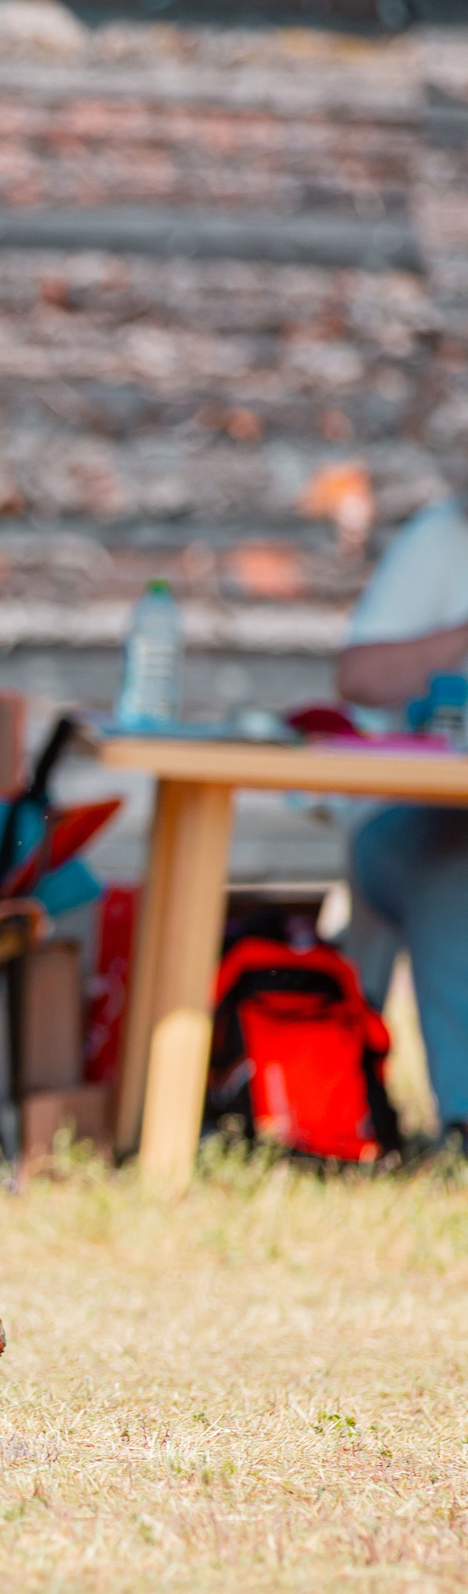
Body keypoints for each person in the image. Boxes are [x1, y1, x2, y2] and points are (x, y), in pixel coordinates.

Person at [337, 459, 468, 1151]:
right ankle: (463, 1121)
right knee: (453, 864)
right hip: (405, 817)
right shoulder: (444, 538)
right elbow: (358, 675)